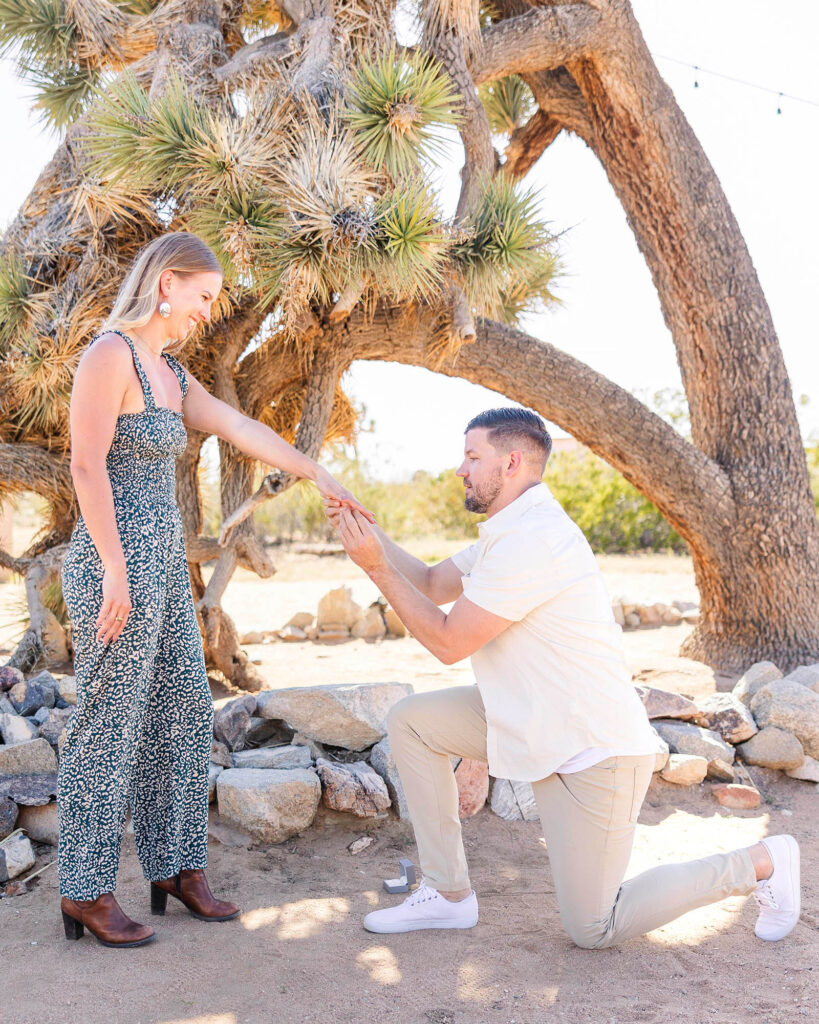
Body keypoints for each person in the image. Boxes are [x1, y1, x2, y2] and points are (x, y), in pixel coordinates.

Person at [326, 407, 800, 948]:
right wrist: (369, 531)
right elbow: (434, 583)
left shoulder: (535, 540)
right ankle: (448, 893)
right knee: (413, 723)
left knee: (594, 927)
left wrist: (373, 565)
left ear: (511, 462)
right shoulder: (507, 531)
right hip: (530, 719)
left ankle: (763, 861)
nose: (460, 469)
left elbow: (447, 642)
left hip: (591, 750)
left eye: (472, 456)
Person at [59, 231, 372, 948]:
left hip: (164, 557)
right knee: (108, 725)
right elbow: (84, 467)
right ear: (166, 282)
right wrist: (112, 565)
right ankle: (85, 890)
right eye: (203, 296)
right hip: (118, 555)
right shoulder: (110, 354)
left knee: (183, 709)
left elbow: (236, 425)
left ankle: (174, 868)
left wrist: (316, 472)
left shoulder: (166, 369)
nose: (208, 310)